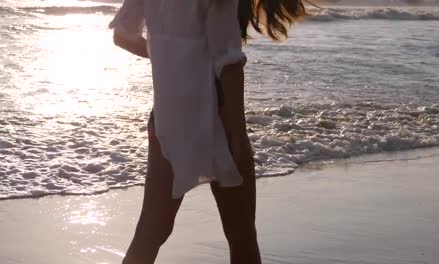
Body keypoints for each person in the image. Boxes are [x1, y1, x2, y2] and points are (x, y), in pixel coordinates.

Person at [109, 0, 306, 263]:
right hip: (217, 113)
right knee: (241, 234)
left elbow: (121, 35)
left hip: (169, 117)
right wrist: (238, 136)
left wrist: (171, 58)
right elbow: (228, 62)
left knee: (151, 230)